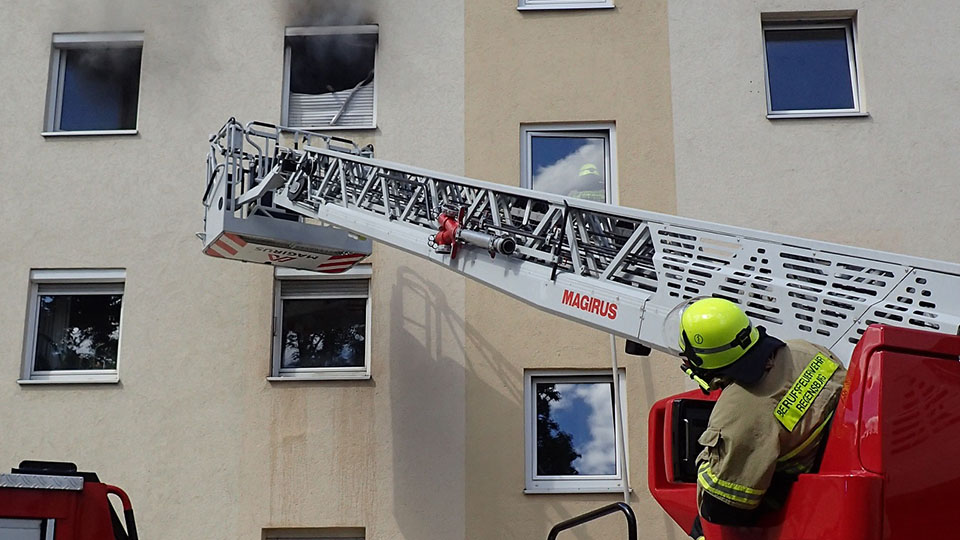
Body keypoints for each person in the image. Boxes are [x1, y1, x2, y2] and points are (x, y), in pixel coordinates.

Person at [676, 298, 847, 540]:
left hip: (799, 504)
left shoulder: (738, 410)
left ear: (702, 360)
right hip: (830, 472)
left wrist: (708, 459)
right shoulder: (805, 349)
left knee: (702, 530)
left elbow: (722, 509)